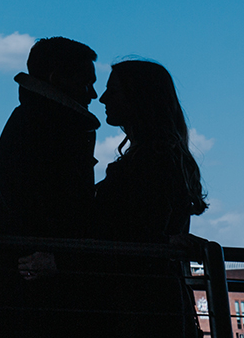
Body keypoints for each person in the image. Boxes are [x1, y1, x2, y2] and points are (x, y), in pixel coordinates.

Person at [0, 36, 100, 337]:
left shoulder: (31, 123)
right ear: (57, 79)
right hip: (55, 296)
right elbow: (70, 214)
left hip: (31, 295)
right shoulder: (53, 129)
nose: (93, 94)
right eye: (86, 82)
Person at [92, 59, 207, 338]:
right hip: (159, 303)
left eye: (114, 91)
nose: (103, 98)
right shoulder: (163, 156)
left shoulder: (149, 161)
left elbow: (128, 237)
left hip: (136, 307)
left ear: (138, 98)